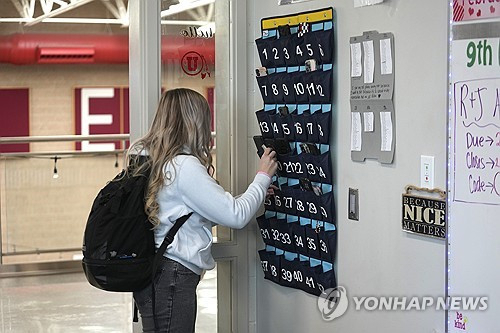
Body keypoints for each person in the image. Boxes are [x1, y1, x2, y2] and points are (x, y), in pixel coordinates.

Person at [126, 88, 278, 333]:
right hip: (172, 276)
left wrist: (254, 197)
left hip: (155, 272)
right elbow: (235, 216)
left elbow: (190, 213)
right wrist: (263, 176)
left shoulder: (153, 159)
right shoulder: (184, 166)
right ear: (193, 121)